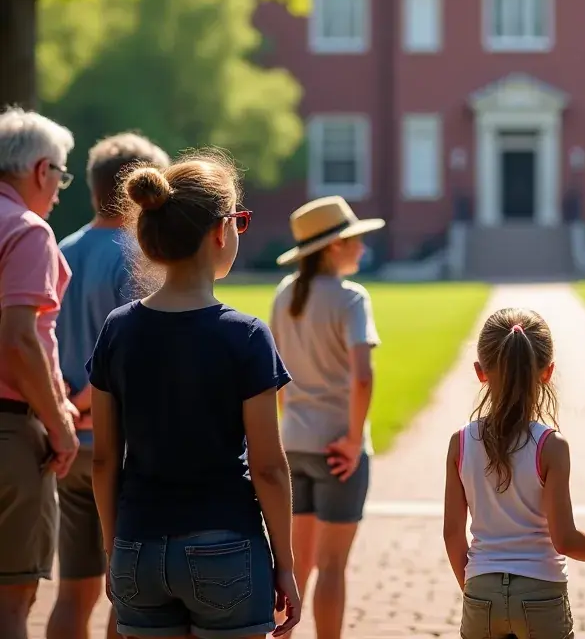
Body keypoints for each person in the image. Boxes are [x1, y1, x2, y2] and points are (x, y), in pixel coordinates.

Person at [87, 154, 300, 639]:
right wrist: (285, 565)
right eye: (239, 219)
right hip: (226, 546)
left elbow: (103, 461)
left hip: (137, 544)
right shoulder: (245, 336)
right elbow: (268, 467)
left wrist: (112, 550)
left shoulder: (118, 331)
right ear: (220, 232)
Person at [48, 132, 170, 639]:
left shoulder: (61, 247)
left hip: (67, 442)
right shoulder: (136, 256)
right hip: (119, 447)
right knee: (129, 595)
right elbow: (137, 356)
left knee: (72, 594)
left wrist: (64, 404)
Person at [442, 307, 585, 639]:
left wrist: (476, 586)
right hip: (541, 593)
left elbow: (452, 534)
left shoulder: (460, 443)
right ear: (547, 372)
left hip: (481, 589)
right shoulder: (551, 446)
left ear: (480, 372)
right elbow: (565, 540)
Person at [270, 196, 384, 639]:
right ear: (334, 246)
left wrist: (289, 425)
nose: (361, 247)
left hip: (294, 444)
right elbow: (362, 378)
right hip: (339, 450)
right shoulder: (351, 298)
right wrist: (354, 440)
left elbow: (276, 376)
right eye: (354, 239)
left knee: (295, 569)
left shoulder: (284, 295)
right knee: (333, 567)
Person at [0, 108, 78, 639]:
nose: (58, 190)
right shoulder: (28, 231)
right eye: (60, 176)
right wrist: (59, 423)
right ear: (41, 169)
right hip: (9, 428)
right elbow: (20, 339)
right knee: (11, 600)